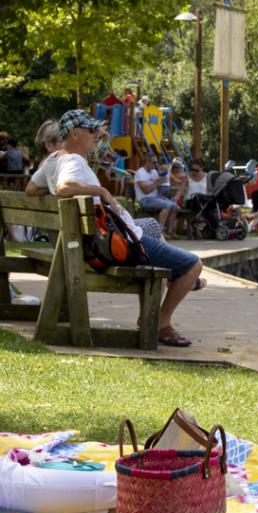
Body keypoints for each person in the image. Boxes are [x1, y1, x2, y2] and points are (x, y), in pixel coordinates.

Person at [26, 110, 202, 347]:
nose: (96, 135)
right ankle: (161, 320)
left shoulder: (54, 160)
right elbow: (64, 186)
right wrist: (101, 191)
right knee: (194, 265)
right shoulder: (73, 160)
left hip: (91, 240)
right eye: (91, 131)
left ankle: (171, 279)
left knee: (150, 226)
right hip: (108, 246)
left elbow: (31, 189)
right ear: (75, 133)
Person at [134, 151, 179, 237]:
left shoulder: (154, 171)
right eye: (154, 162)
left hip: (155, 198)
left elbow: (160, 183)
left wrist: (164, 175)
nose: (156, 164)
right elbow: (145, 191)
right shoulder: (140, 173)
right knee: (167, 205)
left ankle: (170, 231)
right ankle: (160, 231)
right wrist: (160, 182)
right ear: (147, 161)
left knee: (174, 206)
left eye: (156, 162)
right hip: (145, 200)